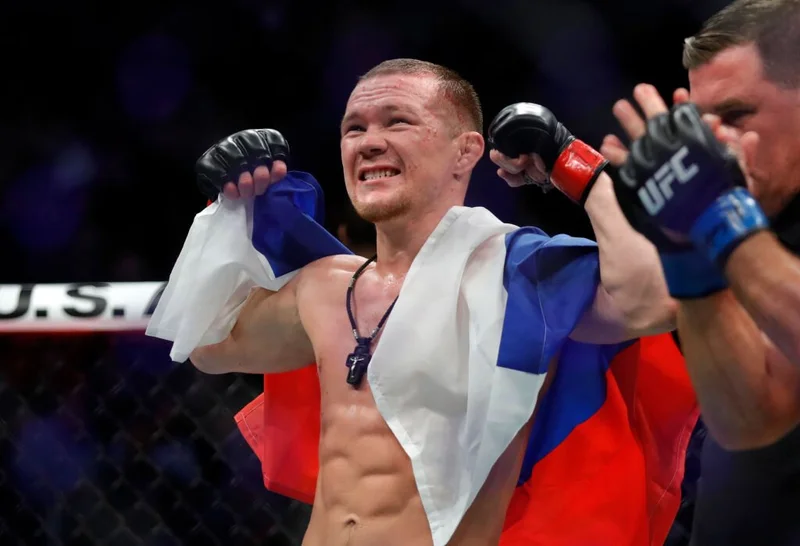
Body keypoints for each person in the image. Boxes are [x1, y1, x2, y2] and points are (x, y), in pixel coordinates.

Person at [180, 58, 687, 546]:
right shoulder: (325, 287)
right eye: (354, 128)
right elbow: (208, 344)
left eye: (396, 121)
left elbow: (651, 302)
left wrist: (577, 168)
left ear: (465, 151)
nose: (369, 142)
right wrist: (232, 209)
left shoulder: (518, 274)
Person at [600, 1, 800, 543]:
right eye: (702, 125)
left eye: (735, 116)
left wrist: (719, 216)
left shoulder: (742, 236)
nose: (713, 146)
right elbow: (748, 421)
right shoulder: (755, 241)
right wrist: (682, 249)